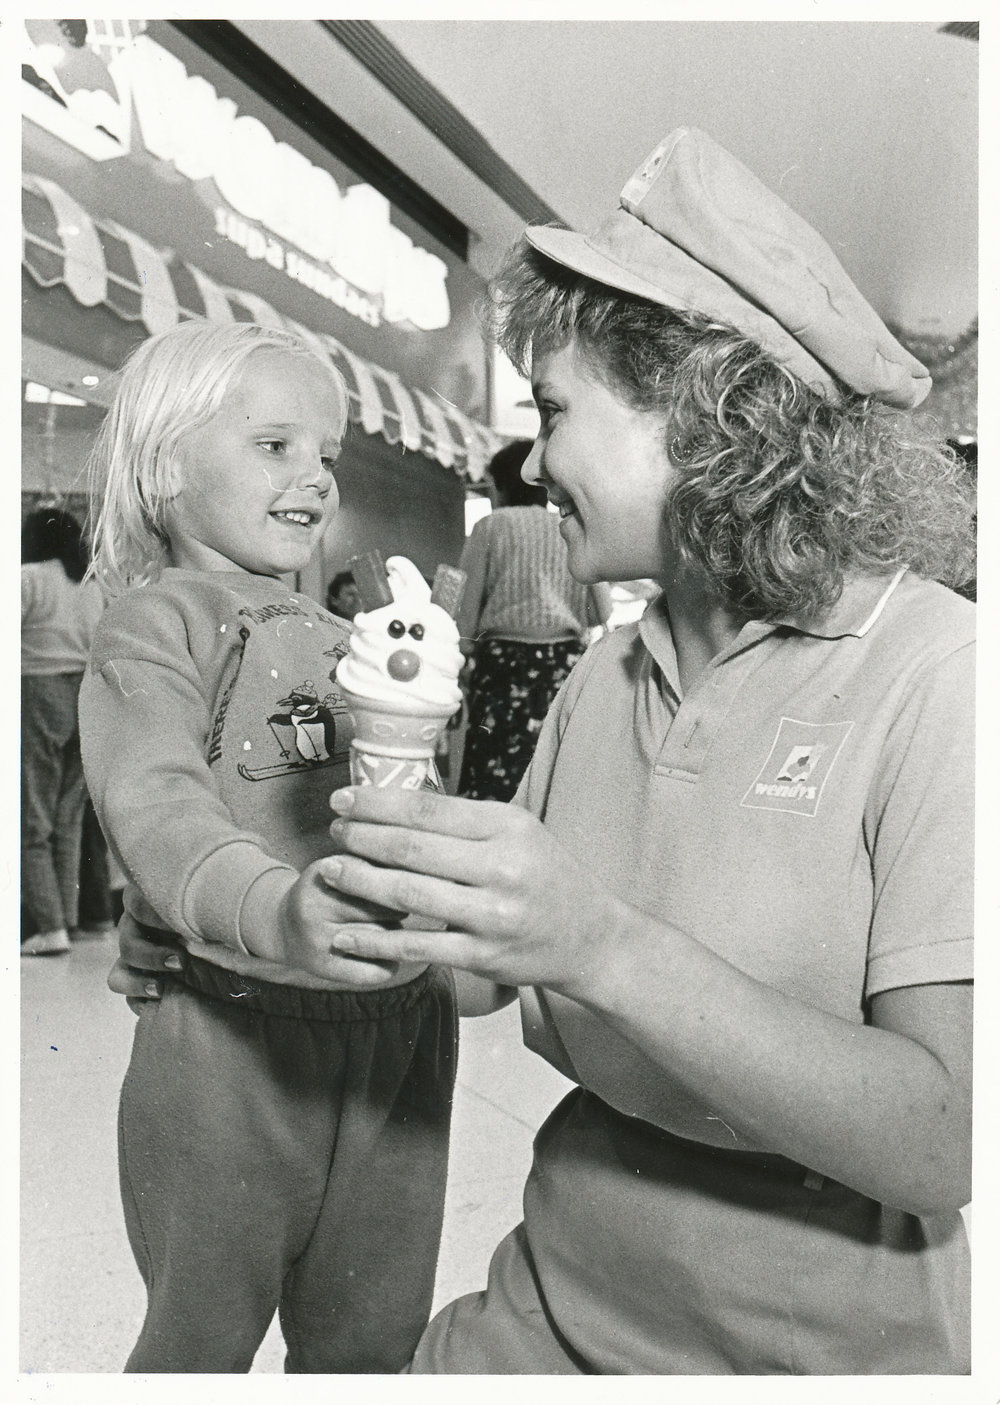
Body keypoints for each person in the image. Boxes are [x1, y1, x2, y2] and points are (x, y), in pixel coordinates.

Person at [108, 128, 975, 1375]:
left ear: (700, 414)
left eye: (555, 410)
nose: (532, 460)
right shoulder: (603, 673)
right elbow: (473, 974)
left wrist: (604, 945)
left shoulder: (939, 674)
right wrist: (256, 924)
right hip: (541, 1310)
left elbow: (942, 1137)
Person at [78, 320, 458, 1374]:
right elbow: (155, 802)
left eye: (326, 454)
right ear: (162, 469)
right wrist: (270, 909)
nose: (316, 478)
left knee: (370, 1339)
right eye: (275, 445)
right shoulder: (159, 623)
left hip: (398, 1036)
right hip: (231, 1037)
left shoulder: (349, 639)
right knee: (200, 1333)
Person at [455, 439, 610, 800]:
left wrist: (461, 658)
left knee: (493, 774)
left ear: (502, 485)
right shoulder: (570, 526)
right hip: (564, 664)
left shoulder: (491, 526)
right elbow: (600, 610)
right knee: (555, 768)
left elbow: (465, 607)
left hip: (502, 665)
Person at [21, 507, 106, 955]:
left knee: (31, 821)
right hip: (85, 697)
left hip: (38, 691)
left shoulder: (27, 578)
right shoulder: (89, 583)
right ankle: (69, 920)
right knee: (68, 820)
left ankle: (49, 927)